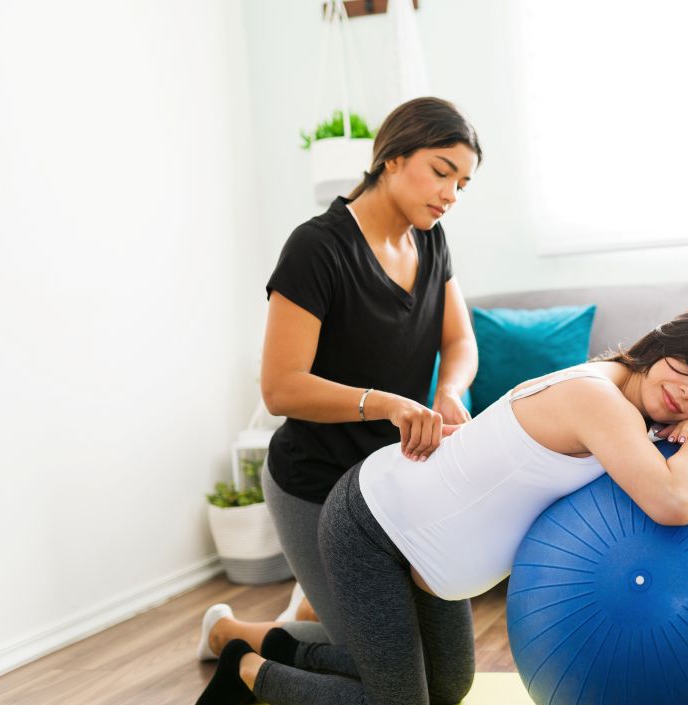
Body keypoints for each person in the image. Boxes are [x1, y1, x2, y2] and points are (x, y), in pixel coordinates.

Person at [188, 305, 688, 705]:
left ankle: (255, 636)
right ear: (661, 343)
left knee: (447, 688)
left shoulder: (639, 405)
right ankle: (247, 668)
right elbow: (674, 504)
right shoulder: (597, 399)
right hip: (375, 525)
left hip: (433, 560)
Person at [200, 97, 484, 656]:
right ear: (393, 159)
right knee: (382, 666)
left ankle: (315, 611)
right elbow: (281, 388)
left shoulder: (431, 239)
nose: (451, 194)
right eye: (442, 172)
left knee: (435, 667)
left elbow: (460, 340)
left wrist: (448, 390)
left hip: (391, 479)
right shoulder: (317, 247)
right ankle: (229, 636)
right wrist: (387, 404)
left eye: (463, 184)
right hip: (317, 483)